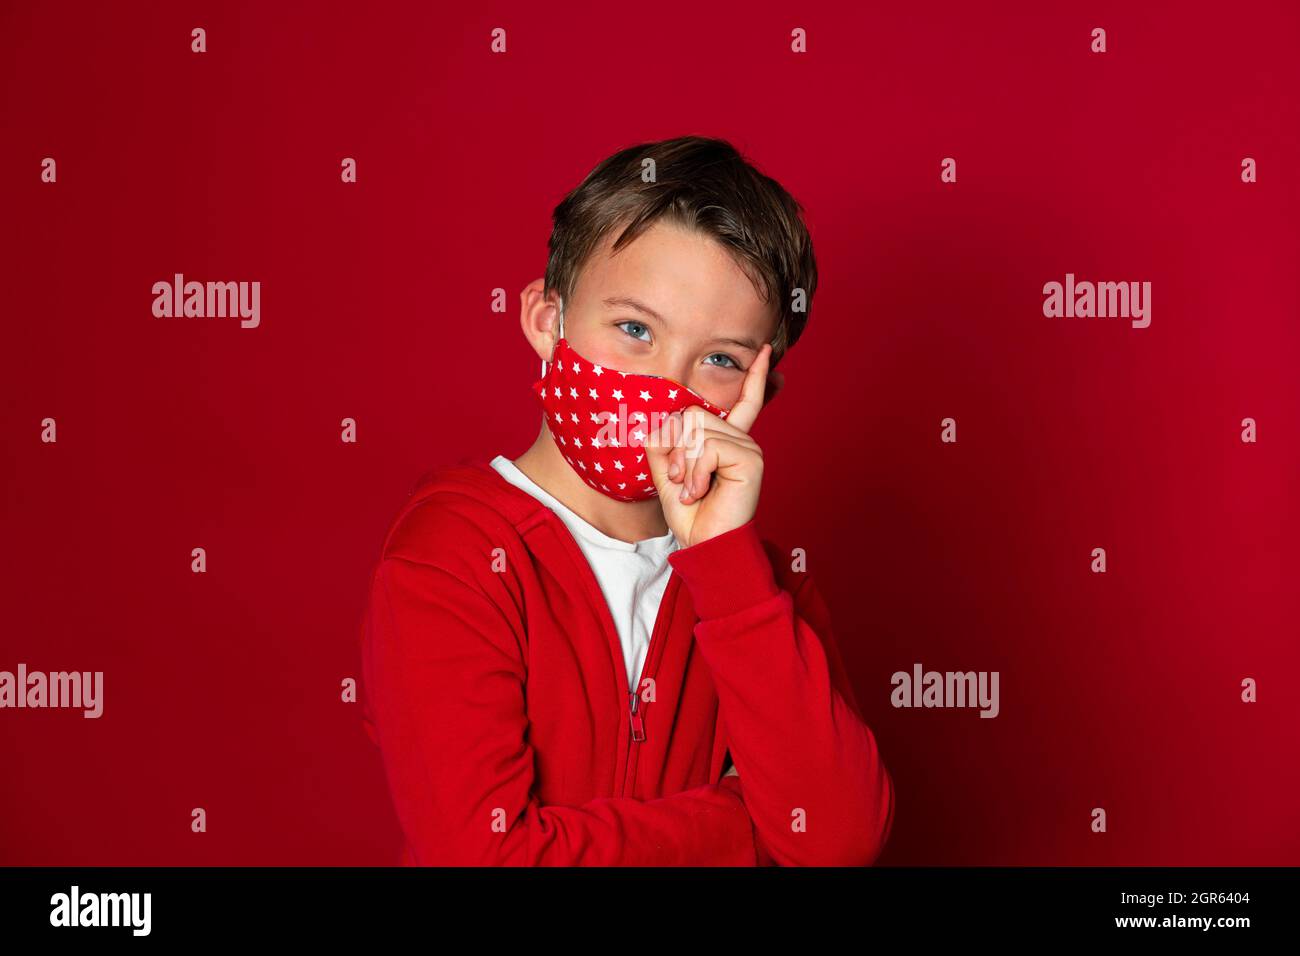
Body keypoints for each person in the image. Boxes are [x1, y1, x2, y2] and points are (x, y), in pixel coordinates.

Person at [359, 135, 895, 865]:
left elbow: (835, 841)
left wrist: (727, 569)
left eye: (719, 360)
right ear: (547, 323)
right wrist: (747, 828)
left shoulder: (765, 591)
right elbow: (488, 858)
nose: (663, 391)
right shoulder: (452, 557)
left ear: (760, 392)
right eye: (635, 330)